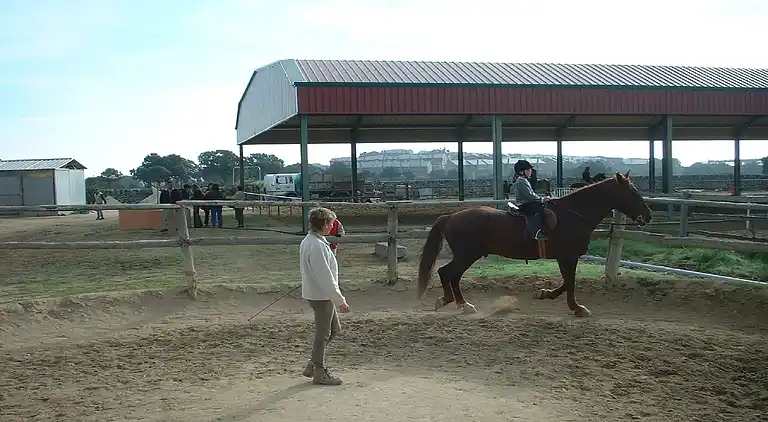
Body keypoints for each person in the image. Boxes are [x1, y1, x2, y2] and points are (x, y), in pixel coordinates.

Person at [299, 207, 349, 386]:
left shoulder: (312, 241)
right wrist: (340, 300)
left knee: (334, 330)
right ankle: (319, 371)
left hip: (319, 293)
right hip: (321, 295)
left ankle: (313, 364)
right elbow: (326, 277)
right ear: (325, 224)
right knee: (324, 333)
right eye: (331, 223)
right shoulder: (317, 245)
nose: (333, 226)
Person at [513, 159, 551, 240]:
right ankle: (536, 231)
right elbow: (529, 195)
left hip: (527, 202)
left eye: (530, 169)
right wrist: (541, 199)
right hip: (525, 204)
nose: (530, 171)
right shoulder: (521, 181)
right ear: (521, 172)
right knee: (540, 210)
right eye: (528, 170)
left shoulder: (524, 180)